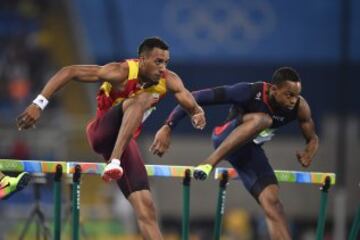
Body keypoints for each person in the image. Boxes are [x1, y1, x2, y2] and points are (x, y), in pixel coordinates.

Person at [16, 37, 206, 240]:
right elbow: (69, 71)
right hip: (101, 133)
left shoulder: (169, 79)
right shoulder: (121, 71)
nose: (163, 68)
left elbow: (191, 104)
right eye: (158, 61)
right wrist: (38, 104)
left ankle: (116, 161)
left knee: (147, 209)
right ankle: (114, 161)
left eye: (166, 62)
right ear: (142, 59)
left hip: (125, 144)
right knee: (142, 98)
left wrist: (196, 114)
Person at [151, 67, 319, 240]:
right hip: (224, 137)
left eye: (296, 95)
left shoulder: (300, 106)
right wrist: (168, 126)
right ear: (273, 89)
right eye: (289, 95)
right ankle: (209, 162)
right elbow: (195, 96)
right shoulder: (248, 91)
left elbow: (312, 138)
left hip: (248, 150)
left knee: (273, 204)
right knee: (263, 119)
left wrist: (309, 152)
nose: (293, 100)